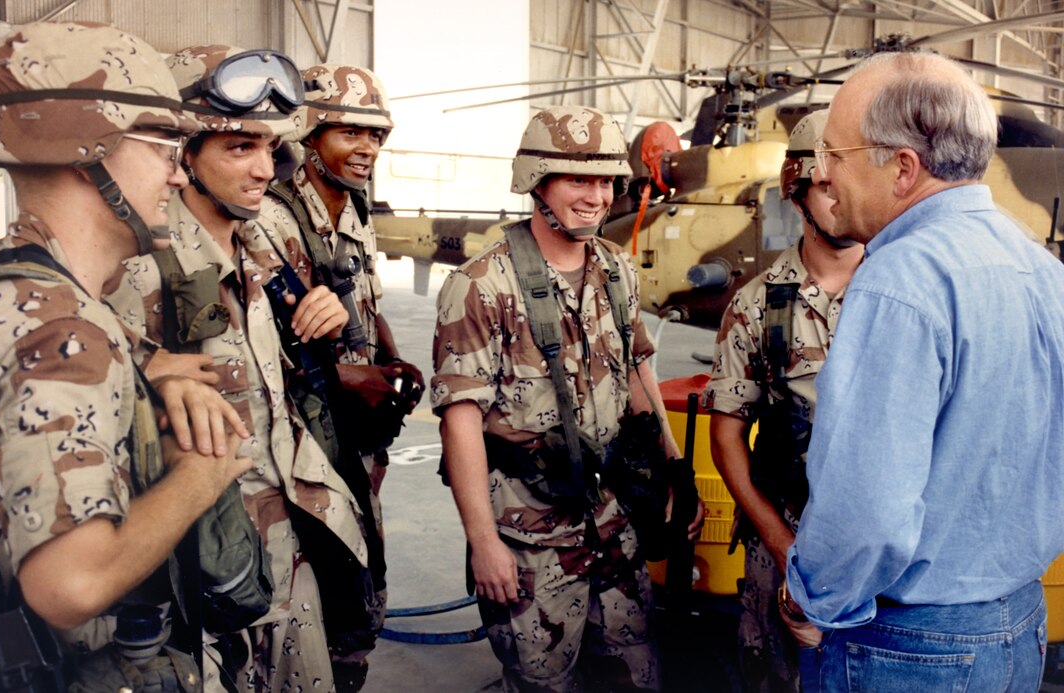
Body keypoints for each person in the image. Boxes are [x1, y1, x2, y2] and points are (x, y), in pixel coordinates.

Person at [0, 21, 251, 690]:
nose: (179, 171)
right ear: (87, 147)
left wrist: (154, 367)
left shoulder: (10, 284)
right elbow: (70, 583)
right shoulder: (65, 336)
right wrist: (201, 475)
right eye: (164, 145)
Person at [783, 51, 1064, 691]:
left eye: (835, 155)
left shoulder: (899, 281)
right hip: (1018, 623)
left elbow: (866, 514)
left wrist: (810, 598)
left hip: (910, 646)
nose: (823, 176)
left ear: (902, 168)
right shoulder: (1040, 268)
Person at [104, 45, 372, 692]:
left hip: (293, 556)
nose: (261, 169)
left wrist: (325, 321)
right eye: (236, 147)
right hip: (207, 578)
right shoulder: (138, 272)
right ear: (183, 156)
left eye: (268, 148)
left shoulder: (268, 245)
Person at [432, 104, 703, 692]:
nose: (596, 196)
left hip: (611, 518)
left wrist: (673, 469)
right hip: (527, 532)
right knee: (543, 679)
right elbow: (461, 421)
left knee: (635, 667)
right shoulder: (483, 284)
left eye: (605, 180)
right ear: (537, 181)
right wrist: (483, 543)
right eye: (578, 178)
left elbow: (638, 375)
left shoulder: (614, 269)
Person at [254, 62, 424, 687]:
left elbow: (361, 297)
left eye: (376, 136)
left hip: (354, 441)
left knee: (361, 573)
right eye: (351, 133)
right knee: (312, 580)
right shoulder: (270, 216)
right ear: (310, 130)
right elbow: (266, 342)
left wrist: (389, 357)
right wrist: (346, 377)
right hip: (301, 444)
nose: (367, 149)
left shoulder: (352, 207)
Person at [703, 108, 863, 693]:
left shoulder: (904, 287)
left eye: (848, 182)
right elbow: (725, 436)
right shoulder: (756, 305)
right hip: (783, 540)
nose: (839, 199)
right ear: (796, 193)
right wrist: (780, 541)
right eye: (823, 186)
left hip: (883, 551)